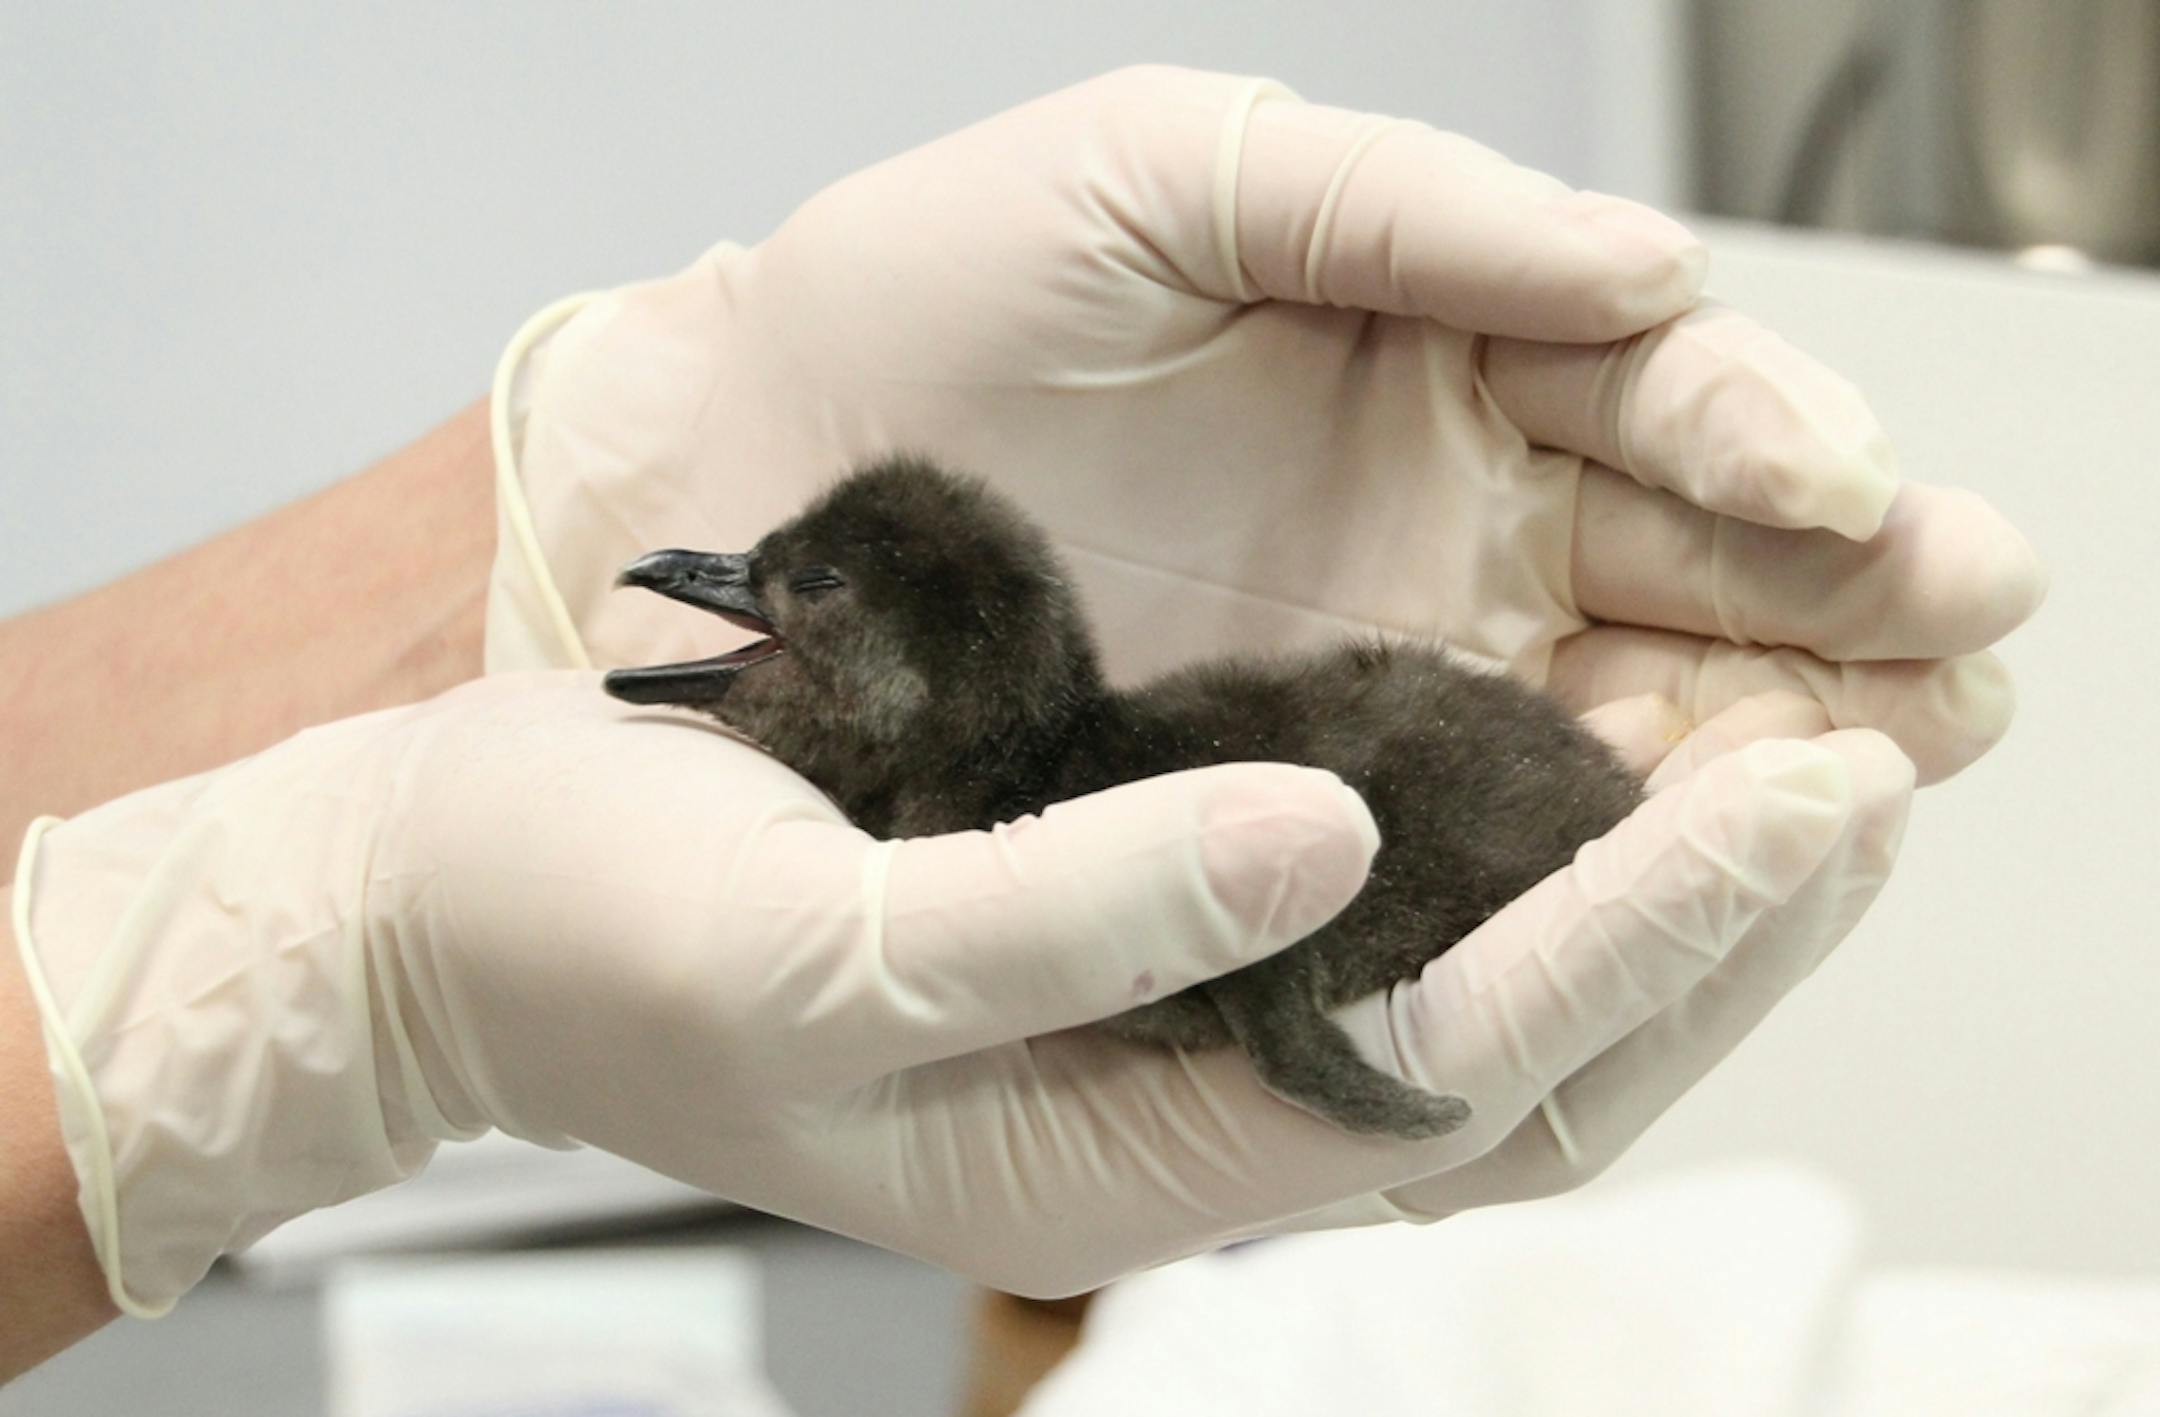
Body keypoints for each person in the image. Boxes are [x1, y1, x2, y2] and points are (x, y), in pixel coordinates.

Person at [0, 67, 2041, 1382]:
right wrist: (329, 962)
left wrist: (493, 583)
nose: (709, 602)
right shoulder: (1076, 776)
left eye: (784, 601)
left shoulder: (1088, 787)